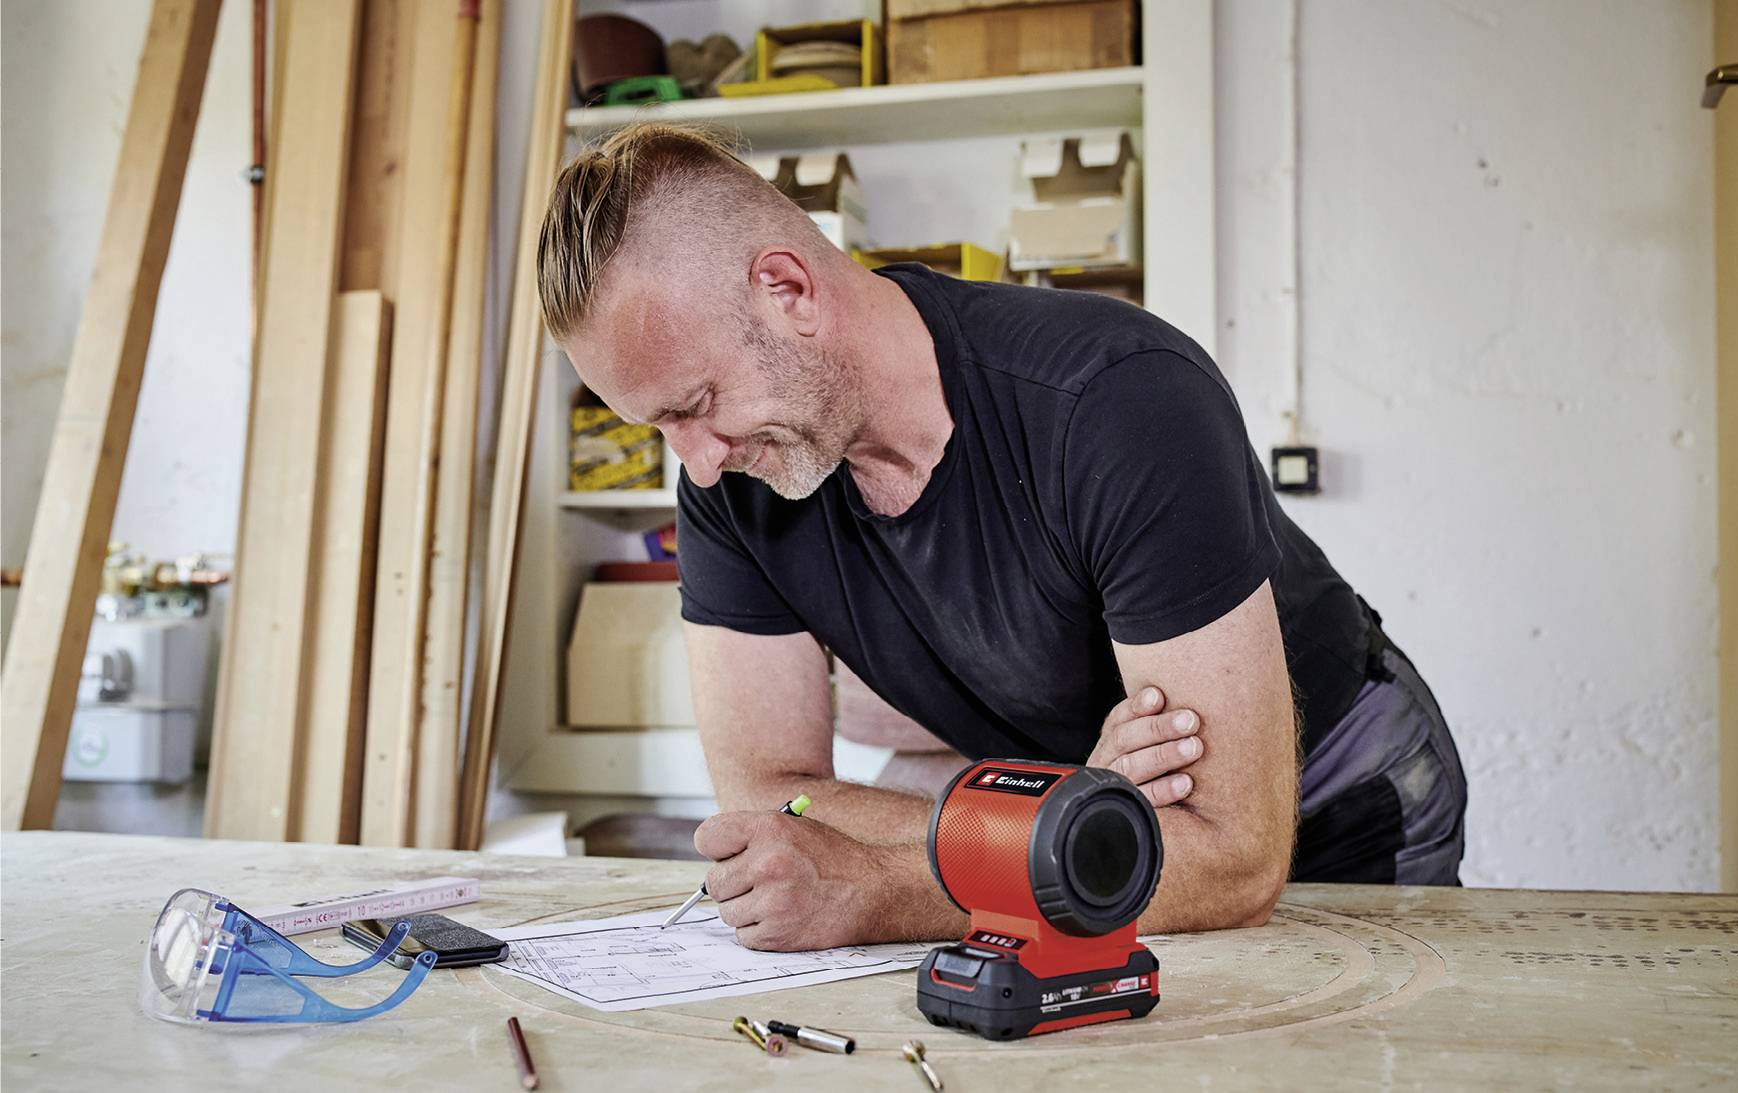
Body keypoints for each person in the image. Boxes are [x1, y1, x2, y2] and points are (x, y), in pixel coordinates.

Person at [538, 123, 1467, 951]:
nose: (693, 463)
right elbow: (771, 793)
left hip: (1338, 793)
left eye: (697, 404)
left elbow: (1229, 859)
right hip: (1092, 803)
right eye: (658, 425)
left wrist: (888, 886)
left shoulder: (1118, 398)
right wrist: (1059, 816)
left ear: (786, 288)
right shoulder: (729, 479)